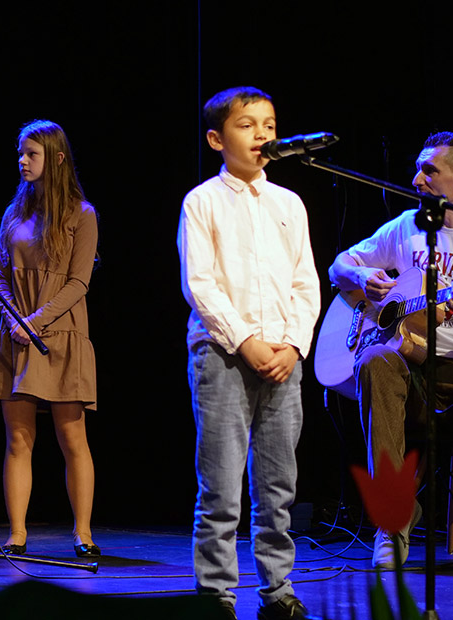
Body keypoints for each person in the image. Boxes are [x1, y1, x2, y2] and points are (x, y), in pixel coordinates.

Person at [328, 131, 453, 577]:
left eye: (429, 170)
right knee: (375, 360)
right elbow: (339, 265)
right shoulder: (405, 227)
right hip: (414, 377)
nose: (416, 179)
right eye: (417, 169)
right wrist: (362, 279)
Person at [177, 87, 320, 620]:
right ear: (217, 139)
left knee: (278, 485)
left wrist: (294, 345)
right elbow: (201, 284)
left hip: (283, 358)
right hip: (223, 357)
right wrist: (246, 341)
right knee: (220, 485)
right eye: (247, 125)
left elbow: (306, 282)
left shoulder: (289, 203)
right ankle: (215, 593)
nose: (262, 134)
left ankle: (277, 589)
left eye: (270, 124)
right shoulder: (203, 201)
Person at [0, 120, 100, 559]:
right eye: (20, 152)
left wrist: (34, 322)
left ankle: (83, 533)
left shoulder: (81, 214)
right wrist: (16, 319)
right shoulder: (13, 214)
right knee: (18, 439)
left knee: (72, 438)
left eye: (31, 154)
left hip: (61, 335)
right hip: (16, 336)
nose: (22, 161)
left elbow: (79, 282)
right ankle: (16, 534)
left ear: (56, 158)